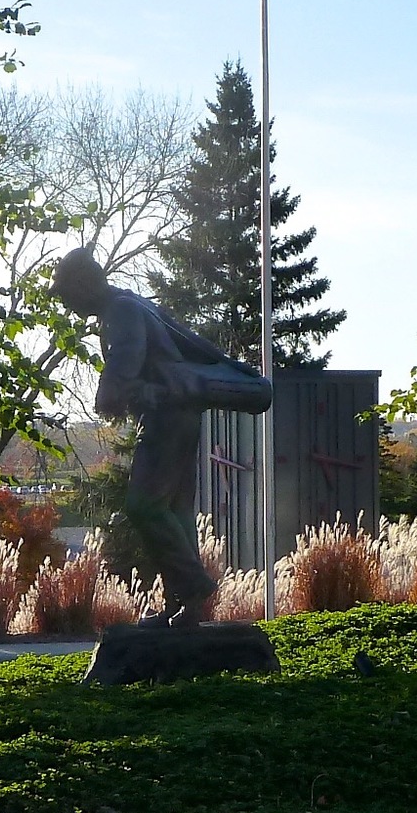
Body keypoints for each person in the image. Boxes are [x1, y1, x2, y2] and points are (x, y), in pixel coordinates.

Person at [50, 246, 272, 624]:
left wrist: (108, 397)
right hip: (177, 414)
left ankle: (193, 586)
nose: (68, 304)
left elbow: (127, 360)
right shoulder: (132, 304)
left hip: (166, 417)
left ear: (85, 284)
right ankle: (181, 605)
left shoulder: (120, 310)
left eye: (67, 293)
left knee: (145, 506)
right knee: (174, 509)